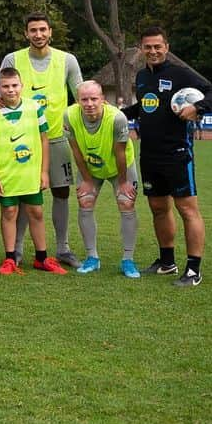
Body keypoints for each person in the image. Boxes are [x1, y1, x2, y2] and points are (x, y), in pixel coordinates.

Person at [122, 27, 211, 287]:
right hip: (150, 155)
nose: (153, 51)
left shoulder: (180, 74)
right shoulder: (141, 77)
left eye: (157, 46)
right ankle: (166, 262)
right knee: (158, 208)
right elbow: (144, 108)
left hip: (178, 154)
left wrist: (197, 107)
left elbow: (210, 92)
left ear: (166, 47)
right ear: (141, 49)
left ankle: (193, 270)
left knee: (187, 209)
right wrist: (118, 114)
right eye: (147, 47)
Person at [0, 13, 84, 267]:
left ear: (50, 32)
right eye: (33, 30)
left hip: (55, 137)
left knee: (61, 192)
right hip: (20, 140)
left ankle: (63, 248)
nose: (38, 34)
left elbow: (80, 96)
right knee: (22, 194)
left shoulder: (67, 60)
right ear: (26, 34)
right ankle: (18, 250)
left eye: (43, 29)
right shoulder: (13, 59)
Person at [0, 67, 62, 275]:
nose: (11, 90)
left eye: (14, 85)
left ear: (22, 86)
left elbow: (44, 140)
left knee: (36, 212)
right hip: (7, 174)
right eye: (6, 86)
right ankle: (9, 258)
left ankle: (42, 258)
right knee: (9, 212)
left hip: (30, 173)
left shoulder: (35, 108)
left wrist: (44, 172)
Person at [64, 81, 140, 278]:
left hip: (119, 166)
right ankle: (92, 258)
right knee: (85, 202)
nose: (89, 103)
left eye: (94, 99)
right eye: (84, 99)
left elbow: (120, 153)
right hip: (90, 166)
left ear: (103, 100)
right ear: (78, 101)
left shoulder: (117, 118)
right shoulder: (69, 116)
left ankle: (128, 260)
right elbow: (75, 150)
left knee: (126, 203)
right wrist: (87, 180)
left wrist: (123, 182)